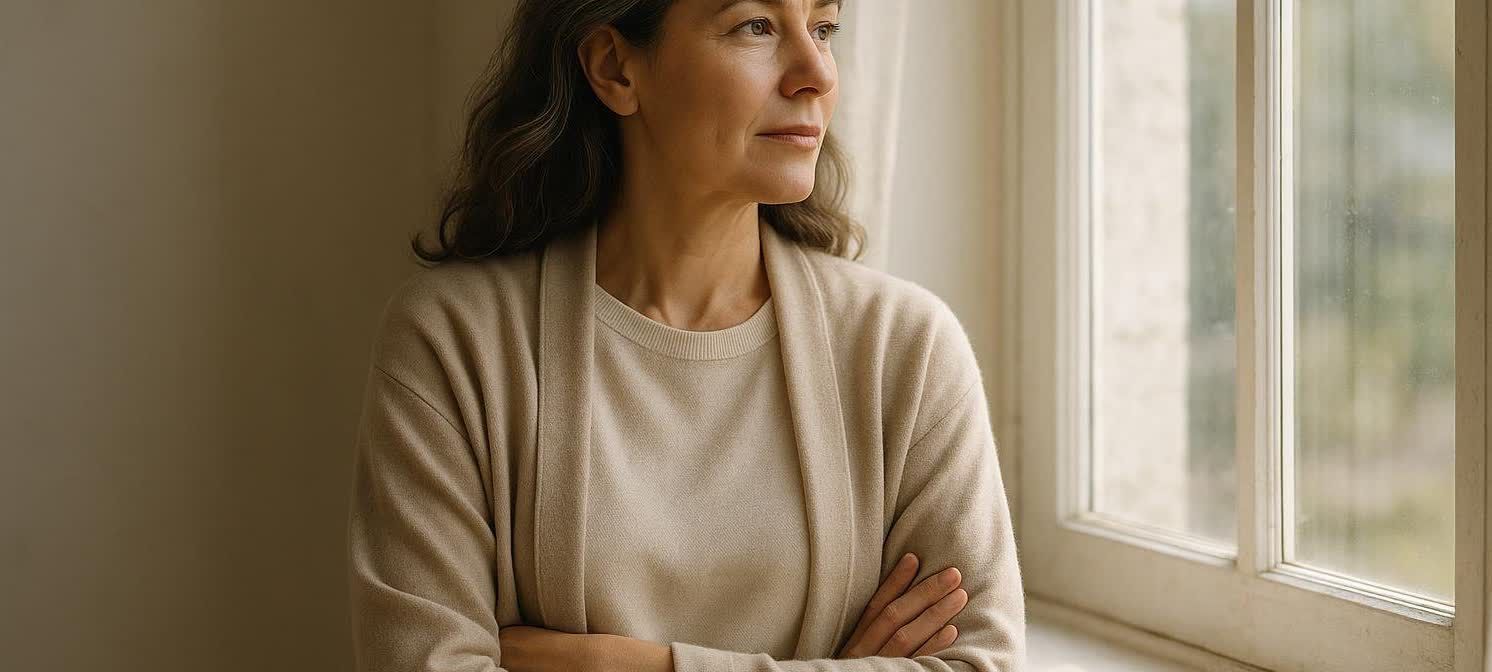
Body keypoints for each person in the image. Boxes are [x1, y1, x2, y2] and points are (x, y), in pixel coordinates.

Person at [345, 0, 1026, 670]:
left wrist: (621, 665)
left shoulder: (904, 350)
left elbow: (980, 662)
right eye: (756, 25)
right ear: (615, 68)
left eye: (823, 28)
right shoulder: (455, 343)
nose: (816, 73)